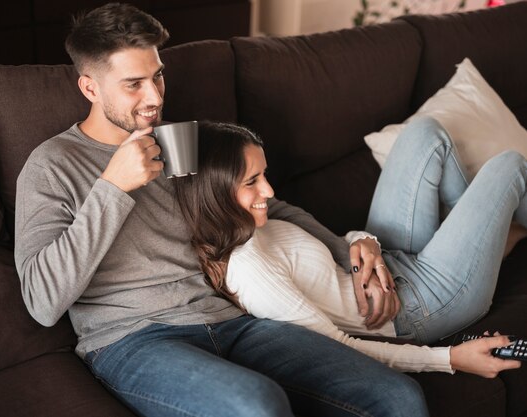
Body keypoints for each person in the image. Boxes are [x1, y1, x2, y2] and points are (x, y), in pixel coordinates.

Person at [14, 2, 430, 417]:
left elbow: (268, 205)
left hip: (230, 320)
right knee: (256, 406)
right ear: (90, 88)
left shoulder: (175, 142)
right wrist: (112, 186)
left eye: (158, 76)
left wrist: (349, 250)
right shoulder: (52, 165)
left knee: (399, 397)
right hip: (133, 340)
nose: (155, 97)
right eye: (133, 84)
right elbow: (43, 302)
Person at [173, 119, 525, 378]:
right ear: (216, 194)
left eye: (264, 174)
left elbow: (335, 246)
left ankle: (482, 245)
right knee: (510, 167)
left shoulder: (249, 224)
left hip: (388, 265)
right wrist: (450, 358)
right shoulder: (251, 270)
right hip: (420, 306)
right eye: (252, 181)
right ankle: (482, 248)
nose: (268, 190)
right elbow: (340, 347)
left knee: (426, 134)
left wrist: (363, 243)